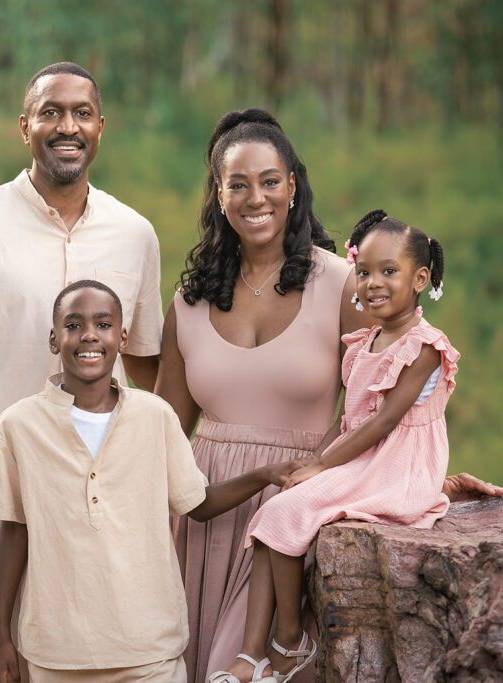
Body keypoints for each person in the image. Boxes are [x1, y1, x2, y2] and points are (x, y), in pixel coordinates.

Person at [154, 109, 503, 683]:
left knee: (244, 666)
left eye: (270, 181)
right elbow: (163, 429)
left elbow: (381, 402)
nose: (256, 198)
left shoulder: (343, 285)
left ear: (293, 185)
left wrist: (421, 482)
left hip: (300, 502)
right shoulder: (189, 302)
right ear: (219, 196)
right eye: (237, 185)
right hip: (206, 515)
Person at [0, 62, 163, 683]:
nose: (66, 125)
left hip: (100, 520)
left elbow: (152, 373)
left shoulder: (136, 236)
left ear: (101, 127)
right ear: (25, 128)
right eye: (50, 112)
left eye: (80, 113)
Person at [0, 281, 307, 683]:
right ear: (54, 339)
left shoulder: (154, 415)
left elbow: (197, 502)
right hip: (56, 654)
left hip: (150, 651)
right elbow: (15, 529)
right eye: (74, 324)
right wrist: (1, 635)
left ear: (122, 337)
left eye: (103, 324)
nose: (89, 334)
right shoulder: (18, 425)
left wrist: (265, 475)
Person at [212, 209, 460, 683]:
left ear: (421, 279)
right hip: (360, 454)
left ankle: (290, 642)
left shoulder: (425, 346)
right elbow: (348, 419)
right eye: (363, 272)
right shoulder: (365, 340)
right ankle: (251, 654)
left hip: (396, 466)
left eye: (389, 272)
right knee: (278, 506)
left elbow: (384, 423)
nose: (373, 283)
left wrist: (324, 465)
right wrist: (313, 464)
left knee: (287, 512)